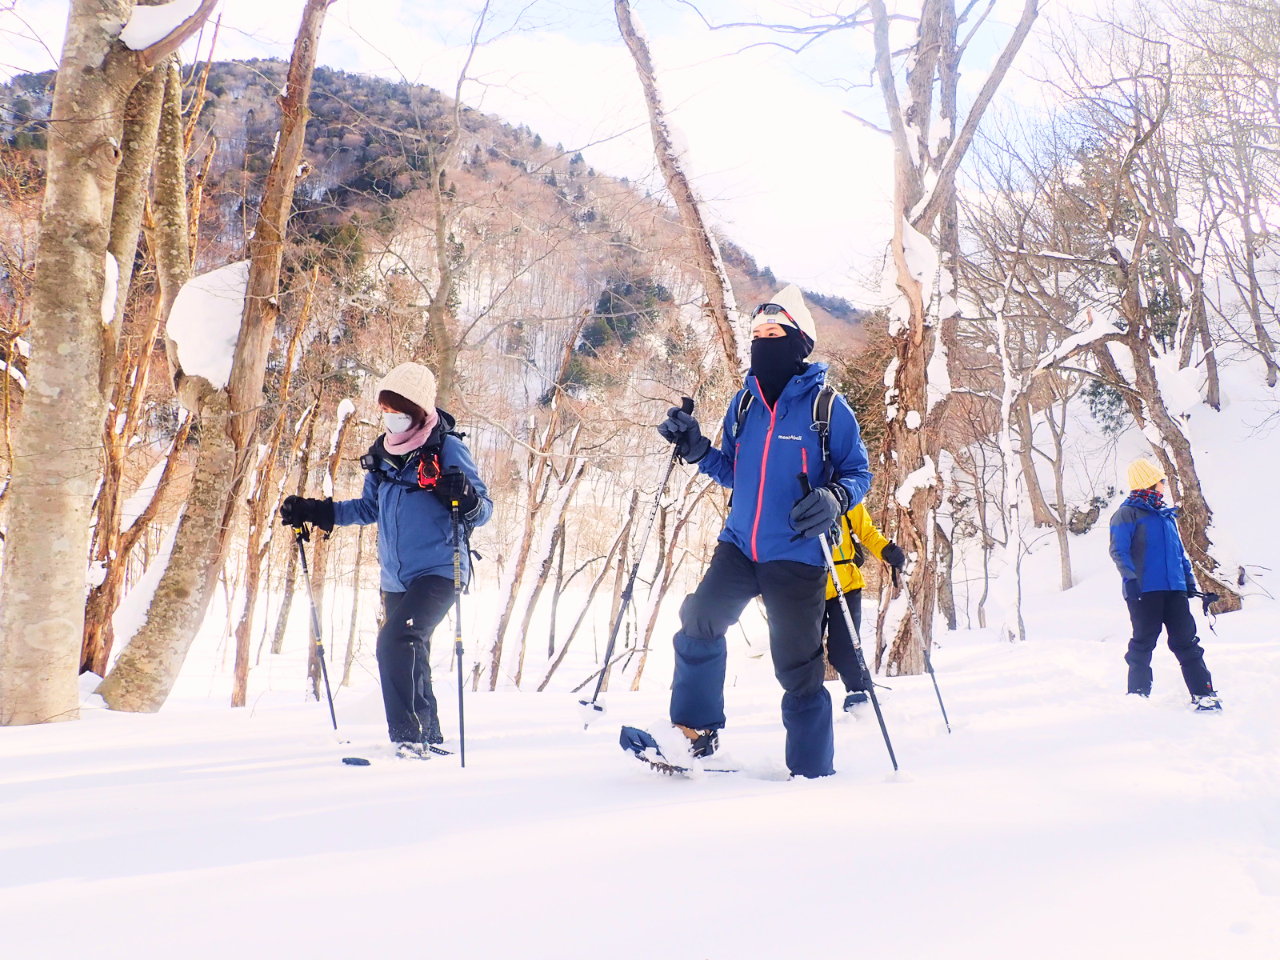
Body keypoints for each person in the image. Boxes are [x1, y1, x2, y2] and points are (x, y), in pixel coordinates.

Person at [656, 285, 873, 778]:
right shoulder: (744, 404)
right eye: (756, 334)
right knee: (699, 622)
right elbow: (734, 470)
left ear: (798, 340)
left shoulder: (827, 407)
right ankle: (693, 732)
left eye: (773, 333)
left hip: (796, 554)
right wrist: (695, 448)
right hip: (739, 545)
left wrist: (834, 498)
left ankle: (812, 771)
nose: (763, 341)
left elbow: (859, 473)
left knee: (797, 669)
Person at [280, 362, 493, 754]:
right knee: (413, 651)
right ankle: (429, 738)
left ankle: (408, 741)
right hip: (396, 577)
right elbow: (367, 508)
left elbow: (483, 510)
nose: (392, 420)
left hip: (442, 569)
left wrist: (465, 497)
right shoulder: (381, 453)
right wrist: (315, 511)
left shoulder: (446, 447)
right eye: (386, 412)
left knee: (395, 642)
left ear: (419, 412)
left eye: (400, 413)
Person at [1108, 458, 1221, 710]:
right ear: (1149, 483)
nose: (1164, 485)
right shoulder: (1127, 514)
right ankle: (1137, 696)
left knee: (1187, 641)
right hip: (1144, 591)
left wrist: (1189, 583)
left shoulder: (1166, 516)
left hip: (1175, 591)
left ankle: (1204, 694)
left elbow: (1179, 554)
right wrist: (1130, 580)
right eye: (1161, 481)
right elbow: (1119, 551)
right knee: (1143, 641)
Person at [824, 503, 905, 711]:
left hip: (846, 582)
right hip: (805, 584)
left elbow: (866, 530)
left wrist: (886, 550)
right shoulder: (792, 489)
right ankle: (809, 704)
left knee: (846, 648)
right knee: (805, 651)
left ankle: (859, 696)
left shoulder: (843, 492)